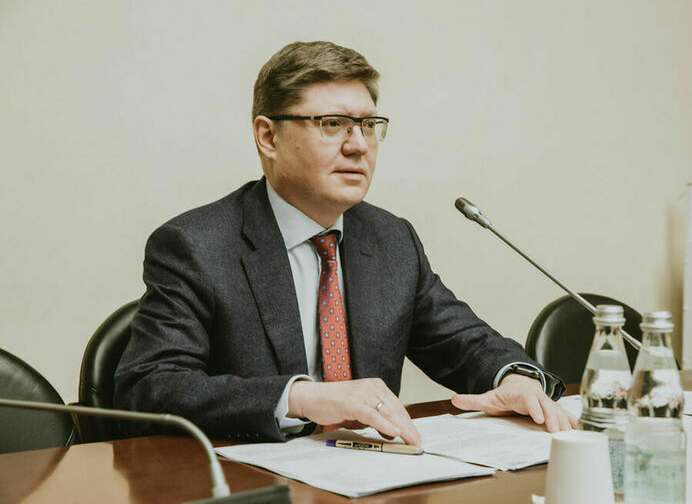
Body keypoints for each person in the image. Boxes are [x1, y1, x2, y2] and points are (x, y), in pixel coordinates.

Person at [114, 41, 576, 446]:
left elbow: (463, 342)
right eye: (333, 124)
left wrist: (514, 378)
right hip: (249, 482)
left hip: (370, 476)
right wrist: (300, 397)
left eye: (369, 125)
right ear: (268, 136)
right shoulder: (195, 246)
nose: (358, 145)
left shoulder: (390, 239)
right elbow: (149, 387)